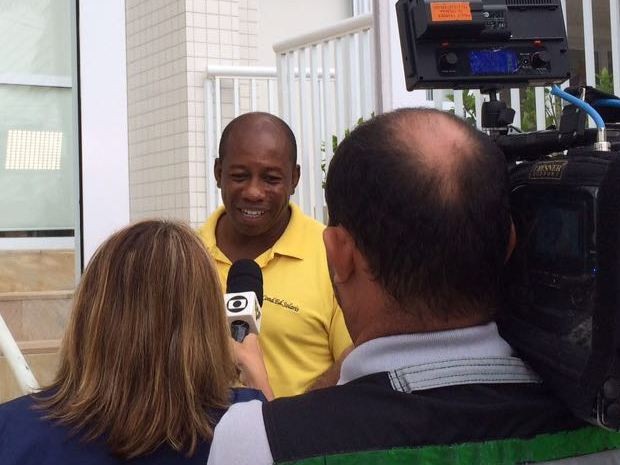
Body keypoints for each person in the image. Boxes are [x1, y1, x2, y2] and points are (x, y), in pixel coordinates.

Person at [207, 108, 620, 464]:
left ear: (339, 254)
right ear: (511, 240)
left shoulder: (257, 442)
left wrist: (265, 412)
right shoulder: (601, 415)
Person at [0, 220, 269, 464]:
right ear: (205, 321)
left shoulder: (12, 430)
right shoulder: (241, 427)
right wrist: (259, 384)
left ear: (89, 314)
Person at [198, 112, 352, 398]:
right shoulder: (188, 257)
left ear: (294, 178)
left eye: (270, 179)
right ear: (218, 173)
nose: (254, 192)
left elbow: (353, 362)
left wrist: (286, 422)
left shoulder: (332, 254)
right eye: (239, 176)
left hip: (302, 440)